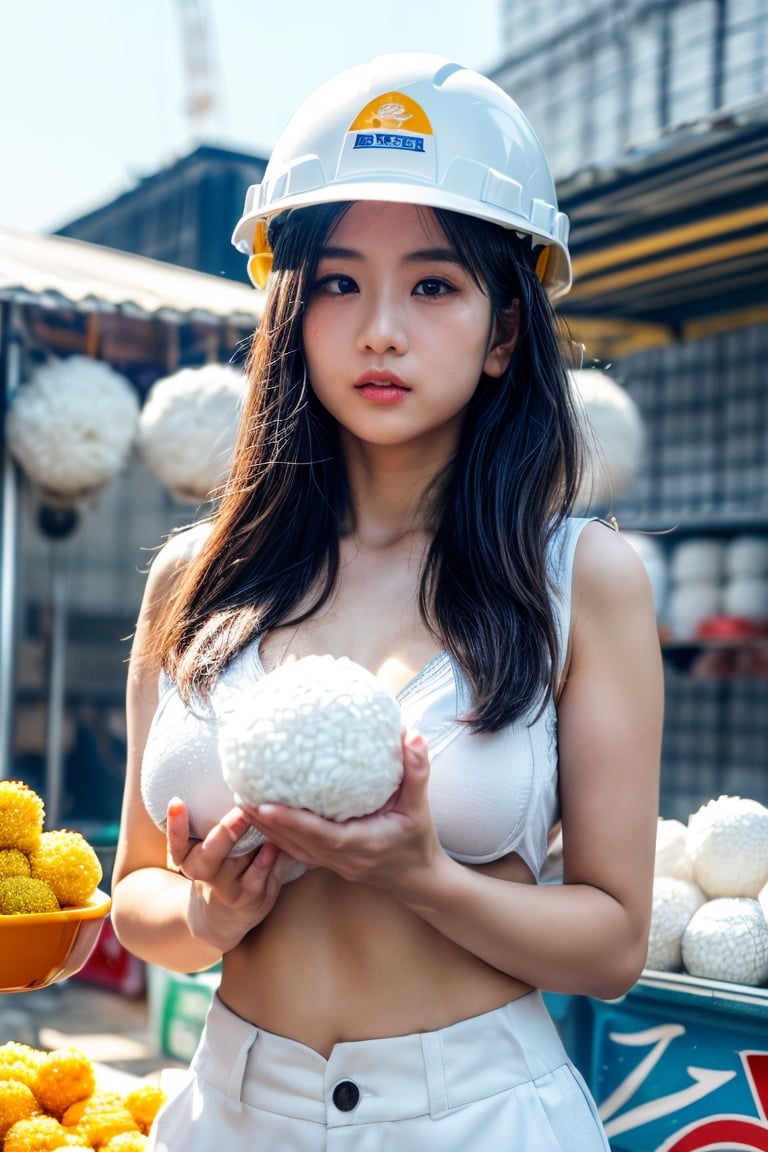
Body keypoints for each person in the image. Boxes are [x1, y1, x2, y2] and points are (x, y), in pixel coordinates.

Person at [111, 52, 663, 1151]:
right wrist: (210, 915)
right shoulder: (196, 578)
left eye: (433, 284)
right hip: (227, 1111)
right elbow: (138, 899)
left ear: (505, 329)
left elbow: (610, 944)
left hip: (479, 1117)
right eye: (338, 282)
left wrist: (424, 878)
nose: (380, 330)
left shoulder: (580, 580)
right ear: (293, 307)